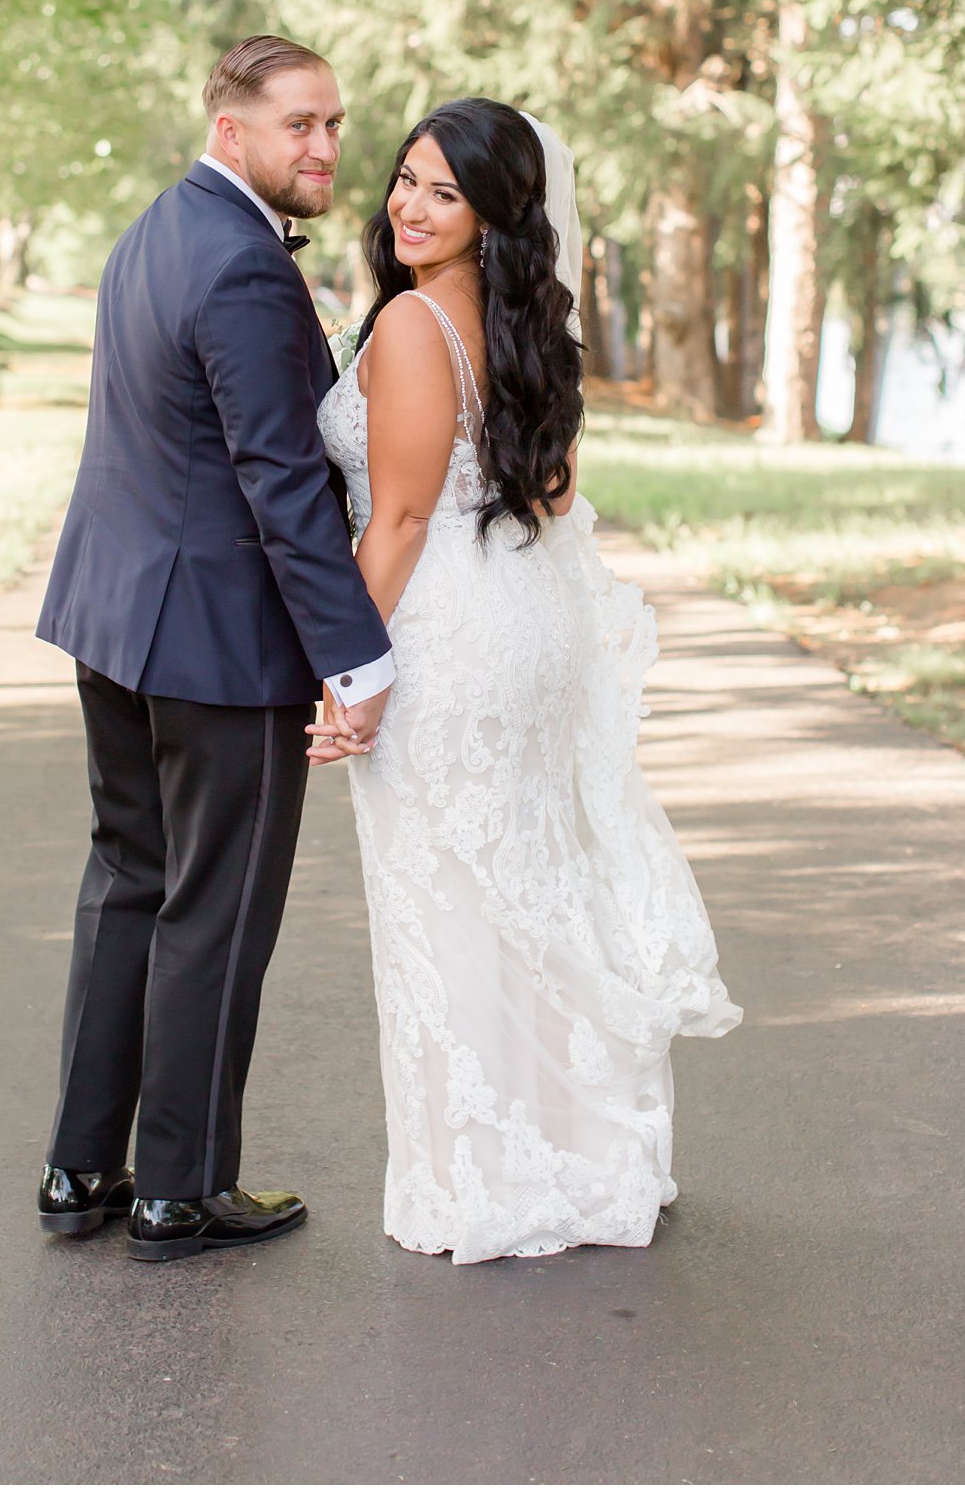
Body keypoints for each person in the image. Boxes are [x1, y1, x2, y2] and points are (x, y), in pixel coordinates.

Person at [315, 98, 740, 1264]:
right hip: (523, 615)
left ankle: (488, 1179)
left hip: (449, 632)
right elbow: (543, 492)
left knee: (450, 895)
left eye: (442, 193)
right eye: (404, 178)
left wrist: (347, 669)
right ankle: (582, 1152)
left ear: (495, 214)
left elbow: (397, 516)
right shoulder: (524, 326)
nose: (407, 205)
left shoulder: (410, 328)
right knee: (528, 883)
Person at [34, 35, 392, 1263]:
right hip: (215, 644)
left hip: (113, 618)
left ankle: (82, 1167)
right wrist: (359, 657)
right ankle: (177, 1190)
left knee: (129, 883)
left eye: (335, 124)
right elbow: (279, 484)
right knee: (216, 910)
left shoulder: (154, 229)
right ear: (232, 128)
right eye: (300, 125)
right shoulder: (243, 266)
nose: (327, 148)